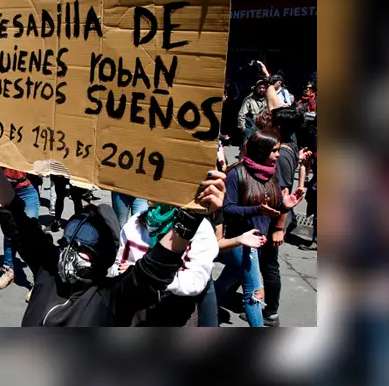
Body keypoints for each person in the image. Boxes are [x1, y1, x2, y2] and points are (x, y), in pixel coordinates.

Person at [0, 135, 228, 325]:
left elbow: (153, 270)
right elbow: (14, 217)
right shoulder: (48, 271)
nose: (69, 254)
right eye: (67, 244)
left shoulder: (108, 299)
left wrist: (192, 217)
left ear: (102, 259)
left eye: (82, 248)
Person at [215, 130, 305, 327]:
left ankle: (206, 304)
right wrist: (257, 210)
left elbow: (273, 205)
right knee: (255, 292)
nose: (278, 155)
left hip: (260, 241)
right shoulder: (236, 173)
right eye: (275, 150)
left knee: (230, 277)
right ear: (262, 150)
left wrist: (285, 205)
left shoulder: (270, 173)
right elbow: (227, 209)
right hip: (241, 241)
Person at [110, 203, 219, 326]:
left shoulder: (199, 228)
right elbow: (117, 266)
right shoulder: (135, 221)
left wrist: (148, 277)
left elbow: (195, 282)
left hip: (174, 310)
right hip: (134, 308)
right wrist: (128, 275)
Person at [257, 105, 312, 327]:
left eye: (271, 120)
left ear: (278, 127)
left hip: (274, 217)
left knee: (268, 264)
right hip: (274, 216)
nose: (268, 122)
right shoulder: (289, 144)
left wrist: (279, 226)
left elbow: (283, 194)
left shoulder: (278, 156)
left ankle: (270, 313)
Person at [237, 80, 269, 144]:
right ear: (256, 88)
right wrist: (243, 129)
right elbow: (241, 114)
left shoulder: (268, 99)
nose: (262, 90)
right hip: (251, 127)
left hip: (264, 127)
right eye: (260, 88)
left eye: (263, 88)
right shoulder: (249, 99)